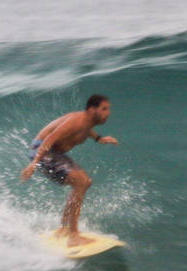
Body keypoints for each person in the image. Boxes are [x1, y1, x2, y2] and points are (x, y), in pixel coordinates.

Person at [21, 94, 118, 246]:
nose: (109, 112)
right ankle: (73, 236)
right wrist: (34, 163)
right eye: (104, 109)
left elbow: (87, 130)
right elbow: (50, 139)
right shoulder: (76, 121)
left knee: (85, 182)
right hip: (42, 150)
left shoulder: (86, 122)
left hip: (55, 153)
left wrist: (100, 139)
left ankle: (64, 228)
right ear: (92, 110)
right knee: (81, 181)